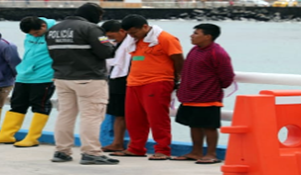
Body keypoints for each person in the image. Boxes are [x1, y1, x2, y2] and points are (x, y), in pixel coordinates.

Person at [46, 3, 117, 165]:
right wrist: (110, 43)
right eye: (100, 16)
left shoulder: (55, 29)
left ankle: (61, 151)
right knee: (91, 115)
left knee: (65, 114)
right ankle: (91, 152)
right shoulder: (92, 29)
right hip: (89, 78)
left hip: (62, 78)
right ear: (94, 15)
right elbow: (106, 51)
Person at [113, 15, 183, 160]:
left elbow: (178, 59)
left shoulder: (165, 38)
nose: (132, 36)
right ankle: (136, 148)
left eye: (134, 33)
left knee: (158, 118)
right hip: (133, 83)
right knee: (134, 118)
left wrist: (178, 78)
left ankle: (163, 149)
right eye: (129, 34)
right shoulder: (134, 41)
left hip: (158, 82)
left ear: (145, 27)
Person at [0, 16, 56, 147]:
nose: (33, 35)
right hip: (24, 75)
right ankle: (6, 135)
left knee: (40, 105)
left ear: (43, 27)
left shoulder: (56, 33)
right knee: (17, 104)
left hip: (44, 76)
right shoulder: (30, 34)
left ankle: (32, 137)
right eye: (31, 34)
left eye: (36, 33)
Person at [173, 24, 234, 164]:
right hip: (190, 95)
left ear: (208, 36)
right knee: (193, 124)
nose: (192, 35)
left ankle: (211, 154)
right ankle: (196, 152)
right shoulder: (194, 50)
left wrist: (211, 87)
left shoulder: (218, 53)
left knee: (209, 126)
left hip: (208, 96)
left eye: (196, 33)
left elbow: (226, 77)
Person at [100, 20, 134, 153]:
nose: (110, 39)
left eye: (111, 36)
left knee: (132, 115)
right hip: (114, 79)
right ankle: (117, 143)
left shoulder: (132, 42)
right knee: (117, 114)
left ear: (122, 31)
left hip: (127, 79)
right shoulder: (112, 44)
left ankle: (134, 144)